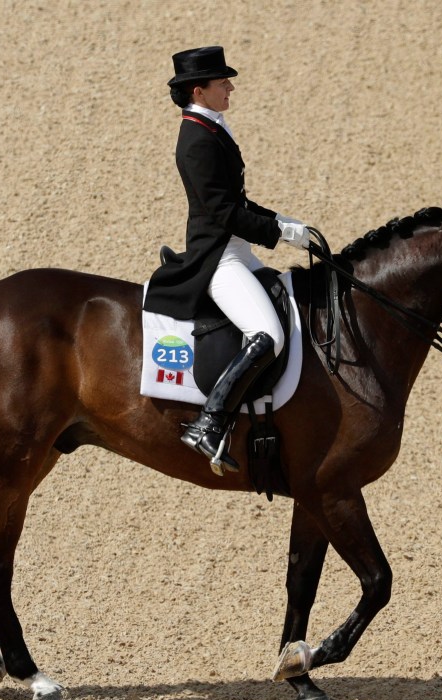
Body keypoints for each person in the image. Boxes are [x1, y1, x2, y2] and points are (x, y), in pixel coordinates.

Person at [147, 45, 311, 474]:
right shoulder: (197, 139)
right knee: (268, 333)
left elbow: (235, 200)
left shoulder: (212, 128)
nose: (231, 87)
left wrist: (281, 220)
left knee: (292, 309)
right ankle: (209, 423)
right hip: (218, 259)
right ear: (199, 90)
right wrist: (280, 232)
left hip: (236, 250)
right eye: (224, 83)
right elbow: (223, 212)